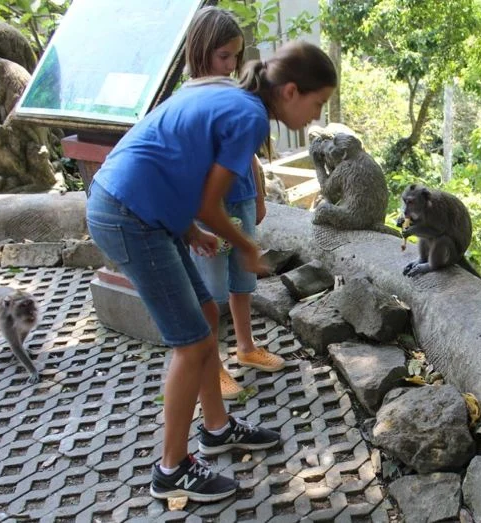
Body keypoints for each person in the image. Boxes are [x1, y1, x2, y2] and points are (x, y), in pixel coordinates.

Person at [85, 32, 336, 502]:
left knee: (205, 315)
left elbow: (174, 162)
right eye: (318, 103)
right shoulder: (249, 117)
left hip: (141, 207)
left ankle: (217, 428)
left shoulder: (229, 93)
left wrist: (189, 230)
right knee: (193, 343)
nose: (316, 116)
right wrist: (245, 246)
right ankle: (171, 469)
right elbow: (209, 201)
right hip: (128, 214)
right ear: (290, 92)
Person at [184, 7, 285, 401]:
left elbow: (250, 153)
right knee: (210, 293)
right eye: (223, 56)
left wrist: (258, 195)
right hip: (208, 210)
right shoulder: (191, 100)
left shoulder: (233, 94)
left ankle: (246, 347)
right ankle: (213, 367)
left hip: (240, 198)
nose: (230, 65)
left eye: (235, 57)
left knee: (242, 281)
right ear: (201, 51)